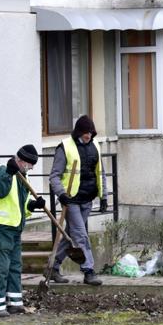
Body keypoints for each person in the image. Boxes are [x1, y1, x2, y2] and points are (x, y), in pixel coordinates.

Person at [49, 115, 106, 286]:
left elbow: (100, 173)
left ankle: (52, 268)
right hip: (71, 199)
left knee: (71, 236)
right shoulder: (65, 147)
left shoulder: (95, 146)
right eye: (86, 132)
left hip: (87, 199)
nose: (89, 135)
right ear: (79, 132)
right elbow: (54, 176)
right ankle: (88, 271)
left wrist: (104, 197)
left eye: (91, 132)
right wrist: (61, 194)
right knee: (81, 235)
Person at [0, 145, 45, 317]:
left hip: (16, 228)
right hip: (2, 227)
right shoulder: (4, 171)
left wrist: (33, 206)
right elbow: (0, 192)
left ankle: (15, 303)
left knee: (15, 266)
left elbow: (22, 206)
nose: (32, 168)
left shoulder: (24, 177)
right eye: (30, 165)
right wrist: (9, 174)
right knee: (2, 267)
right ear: (21, 161)